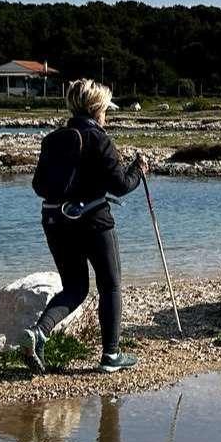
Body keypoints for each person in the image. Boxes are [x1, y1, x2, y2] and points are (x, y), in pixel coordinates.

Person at [24, 79, 147, 373]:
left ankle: (38, 333)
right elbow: (119, 186)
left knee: (76, 287)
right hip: (93, 221)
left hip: (54, 220)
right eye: (105, 108)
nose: (106, 114)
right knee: (111, 285)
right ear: (97, 108)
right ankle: (111, 356)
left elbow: (38, 185)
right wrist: (138, 171)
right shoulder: (99, 138)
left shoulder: (52, 139)